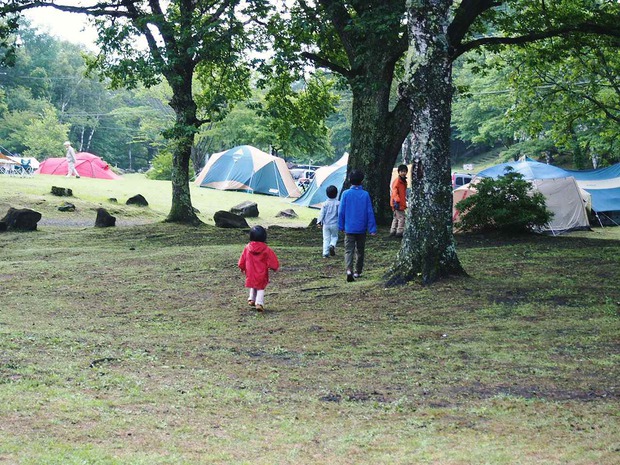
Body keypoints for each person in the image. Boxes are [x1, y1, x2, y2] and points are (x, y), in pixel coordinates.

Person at [338, 169, 377, 282]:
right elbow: (369, 212)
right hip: (361, 228)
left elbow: (341, 211)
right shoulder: (365, 195)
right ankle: (357, 271)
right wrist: (372, 228)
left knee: (348, 250)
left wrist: (341, 226)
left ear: (350, 180)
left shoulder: (345, 194)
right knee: (360, 250)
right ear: (362, 181)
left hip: (349, 228)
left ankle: (349, 269)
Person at [238, 225, 280, 312]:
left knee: (253, 284)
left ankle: (251, 299)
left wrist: (241, 266)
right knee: (260, 287)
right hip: (261, 272)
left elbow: (243, 258)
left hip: (250, 271)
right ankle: (259, 303)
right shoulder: (266, 249)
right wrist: (274, 267)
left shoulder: (247, 248)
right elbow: (272, 259)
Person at [317, 185, 340, 258]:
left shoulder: (324, 204)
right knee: (334, 236)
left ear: (326, 194)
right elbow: (340, 213)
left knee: (326, 238)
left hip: (326, 224)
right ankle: (332, 245)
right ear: (336, 193)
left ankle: (325, 253)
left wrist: (319, 222)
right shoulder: (338, 203)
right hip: (335, 224)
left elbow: (321, 213)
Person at [390, 164, 408, 237]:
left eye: (405, 171)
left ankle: (393, 231)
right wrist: (397, 199)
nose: (403, 173)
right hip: (397, 203)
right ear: (399, 172)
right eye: (402, 171)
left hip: (398, 202)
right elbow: (394, 191)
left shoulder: (403, 181)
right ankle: (399, 232)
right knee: (401, 218)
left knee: (396, 217)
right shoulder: (397, 181)